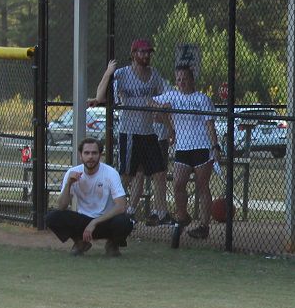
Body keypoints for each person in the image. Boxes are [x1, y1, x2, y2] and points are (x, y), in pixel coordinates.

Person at [151, 64, 221, 240]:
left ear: (192, 80)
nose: (181, 82)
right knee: (178, 184)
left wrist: (215, 146)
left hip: (202, 146)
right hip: (182, 147)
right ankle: (183, 216)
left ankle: (204, 226)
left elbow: (209, 124)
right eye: (179, 79)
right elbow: (150, 102)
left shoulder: (201, 99)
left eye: (185, 79)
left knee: (202, 186)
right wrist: (163, 108)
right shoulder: (172, 95)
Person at [113, 38, 171, 226]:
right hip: (129, 132)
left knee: (159, 172)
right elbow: (112, 96)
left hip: (149, 132)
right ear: (133, 54)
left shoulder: (154, 75)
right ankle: (115, 211)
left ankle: (161, 213)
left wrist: (164, 106)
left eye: (148, 52)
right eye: (142, 52)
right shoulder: (122, 74)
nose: (146, 55)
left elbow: (166, 95)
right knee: (127, 175)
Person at [45, 137, 134, 257]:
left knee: (125, 222)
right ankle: (80, 242)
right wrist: (69, 184)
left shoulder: (111, 173)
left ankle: (113, 244)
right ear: (80, 155)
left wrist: (94, 222)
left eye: (94, 153)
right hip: (83, 222)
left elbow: (121, 206)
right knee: (52, 217)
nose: (90, 157)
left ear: (100, 155)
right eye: (86, 153)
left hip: (105, 221)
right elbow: (61, 206)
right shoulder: (72, 173)